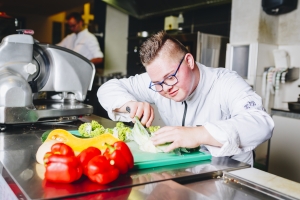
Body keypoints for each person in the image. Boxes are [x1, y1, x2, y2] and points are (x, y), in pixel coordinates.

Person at [97, 30, 274, 166]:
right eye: (157, 83)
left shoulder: (225, 82)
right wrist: (129, 105)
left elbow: (262, 124)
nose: (165, 88)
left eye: (170, 77)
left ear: (189, 61)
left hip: (230, 176)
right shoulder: (159, 80)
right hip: (181, 170)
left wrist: (199, 134)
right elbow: (107, 88)